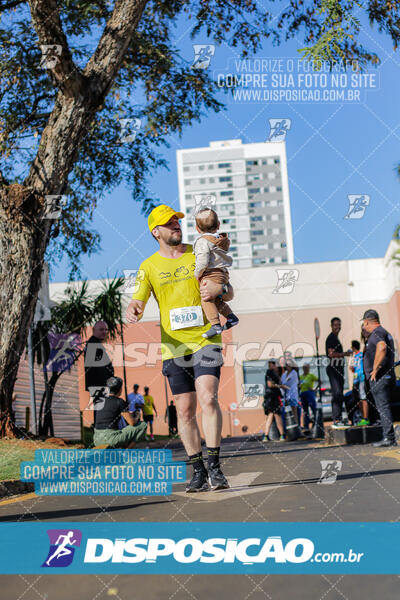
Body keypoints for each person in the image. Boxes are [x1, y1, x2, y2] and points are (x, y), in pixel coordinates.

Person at [126, 204, 234, 492]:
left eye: (177, 220)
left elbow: (228, 288)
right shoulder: (148, 266)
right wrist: (135, 306)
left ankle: (215, 466)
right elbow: (139, 297)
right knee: (185, 410)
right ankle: (197, 469)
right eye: (169, 222)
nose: (176, 225)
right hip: (173, 347)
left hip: (205, 339)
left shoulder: (199, 251)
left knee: (208, 398)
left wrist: (219, 291)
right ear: (156, 231)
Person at [193, 207, 239, 338]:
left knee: (206, 298)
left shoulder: (202, 242)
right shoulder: (220, 240)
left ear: (197, 228)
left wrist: (197, 274)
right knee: (215, 300)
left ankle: (215, 325)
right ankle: (231, 317)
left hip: (211, 274)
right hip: (223, 274)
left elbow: (202, 261)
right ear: (218, 225)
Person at [361, 310, 397, 447]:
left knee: (383, 407)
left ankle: (389, 438)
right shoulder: (383, 332)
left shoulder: (376, 333)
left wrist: (375, 369)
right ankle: (388, 437)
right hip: (386, 376)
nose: (364, 326)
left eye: (364, 324)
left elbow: (381, 348)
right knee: (384, 407)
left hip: (380, 378)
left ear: (367, 321)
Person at [93, 376, 147, 448]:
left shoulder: (99, 401)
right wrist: (137, 415)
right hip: (111, 439)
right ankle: (125, 452)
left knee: (121, 427)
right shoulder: (119, 401)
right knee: (143, 425)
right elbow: (132, 422)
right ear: (120, 389)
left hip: (96, 439)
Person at [325, 317, 352, 429]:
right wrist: (345, 353)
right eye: (335, 325)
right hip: (333, 369)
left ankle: (339, 418)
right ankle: (336, 419)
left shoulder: (336, 338)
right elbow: (331, 354)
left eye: (339, 324)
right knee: (336, 393)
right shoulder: (331, 338)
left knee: (339, 393)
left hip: (338, 369)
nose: (337, 327)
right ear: (331, 326)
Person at [84, 321, 114, 391]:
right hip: (99, 388)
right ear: (94, 330)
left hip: (99, 387)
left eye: (106, 330)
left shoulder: (95, 343)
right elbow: (98, 369)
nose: (104, 332)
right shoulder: (93, 344)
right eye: (101, 329)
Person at [263, 360, 285, 441]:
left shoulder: (276, 374)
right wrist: (280, 386)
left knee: (271, 415)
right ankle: (282, 435)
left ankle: (266, 436)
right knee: (276, 415)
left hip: (271, 397)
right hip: (272, 397)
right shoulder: (270, 372)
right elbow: (270, 384)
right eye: (272, 365)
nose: (273, 367)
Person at [351, 339, 369, 426]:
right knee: (356, 398)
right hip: (356, 380)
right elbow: (352, 369)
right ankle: (362, 416)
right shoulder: (354, 357)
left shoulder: (361, 355)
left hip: (361, 378)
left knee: (363, 397)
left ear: (353, 347)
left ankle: (365, 418)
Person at [281, 360, 301, 425]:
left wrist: (283, 385)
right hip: (286, 396)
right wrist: (282, 385)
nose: (288, 366)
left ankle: (297, 426)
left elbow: (287, 383)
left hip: (292, 395)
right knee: (287, 412)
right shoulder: (284, 374)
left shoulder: (294, 373)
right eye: (286, 364)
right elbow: (282, 383)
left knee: (294, 411)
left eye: (289, 364)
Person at [299, 363, 318, 430]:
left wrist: (314, 389)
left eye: (306, 367)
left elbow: (319, 381)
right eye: (304, 367)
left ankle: (316, 425)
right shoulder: (301, 377)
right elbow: (298, 386)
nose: (305, 369)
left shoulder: (311, 375)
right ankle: (306, 426)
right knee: (305, 411)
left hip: (309, 393)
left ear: (309, 368)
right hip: (303, 394)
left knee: (313, 409)